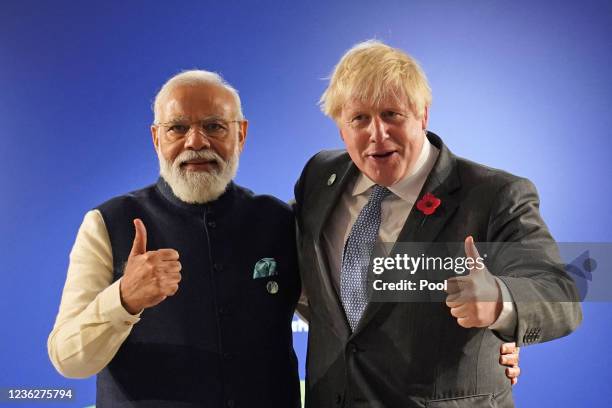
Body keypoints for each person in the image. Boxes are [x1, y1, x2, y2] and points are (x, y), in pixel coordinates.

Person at [293, 40, 582, 407]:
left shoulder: (494, 195)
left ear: (423, 115)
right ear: (341, 129)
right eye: (359, 119)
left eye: (391, 114)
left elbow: (560, 294)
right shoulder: (320, 177)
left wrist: (499, 303)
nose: (377, 133)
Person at [48, 70, 301, 407]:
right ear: (157, 139)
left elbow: (333, 320)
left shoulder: (279, 221)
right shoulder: (106, 223)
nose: (196, 142)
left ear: (240, 134)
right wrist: (123, 299)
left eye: (214, 126)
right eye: (177, 128)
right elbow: (69, 359)